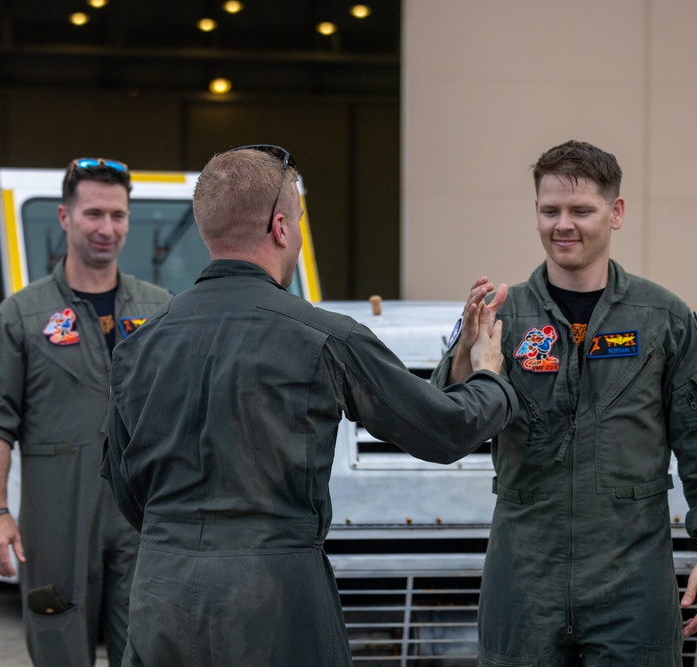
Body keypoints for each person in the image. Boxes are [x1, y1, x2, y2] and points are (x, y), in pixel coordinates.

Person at [101, 144, 518, 666]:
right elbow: (446, 431)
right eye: (297, 218)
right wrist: (487, 374)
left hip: (161, 594)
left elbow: (124, 485)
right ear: (280, 227)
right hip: (275, 597)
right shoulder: (324, 338)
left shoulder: (138, 346)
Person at [432, 140, 697, 666]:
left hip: (632, 579)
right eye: (550, 210)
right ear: (536, 212)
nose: (563, 225)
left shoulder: (663, 318)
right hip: (524, 576)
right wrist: (466, 351)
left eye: (581, 210)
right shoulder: (503, 317)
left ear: (615, 213)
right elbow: (450, 424)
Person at [0, 158, 172, 666]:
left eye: (118, 216)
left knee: (148, 645)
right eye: (93, 214)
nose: (107, 229)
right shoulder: (21, 316)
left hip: (142, 519)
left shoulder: (162, 310)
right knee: (57, 636)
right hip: (56, 519)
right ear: (65, 217)